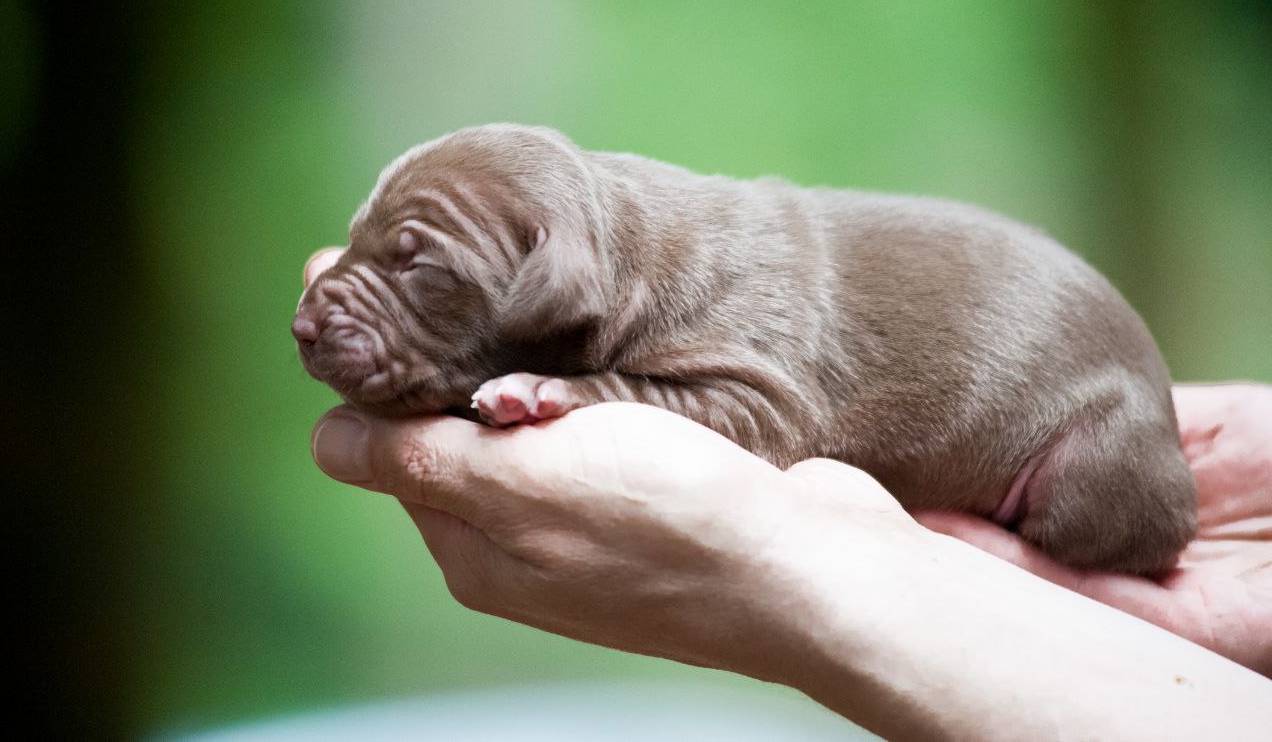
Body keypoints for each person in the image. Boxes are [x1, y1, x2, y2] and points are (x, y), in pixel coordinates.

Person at [303, 249, 1272, 740]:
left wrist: (798, 579)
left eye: (414, 265)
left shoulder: (727, 306)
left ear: (561, 290)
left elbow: (763, 412)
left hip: (1078, 441)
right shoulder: (695, 278)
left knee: (1095, 504)